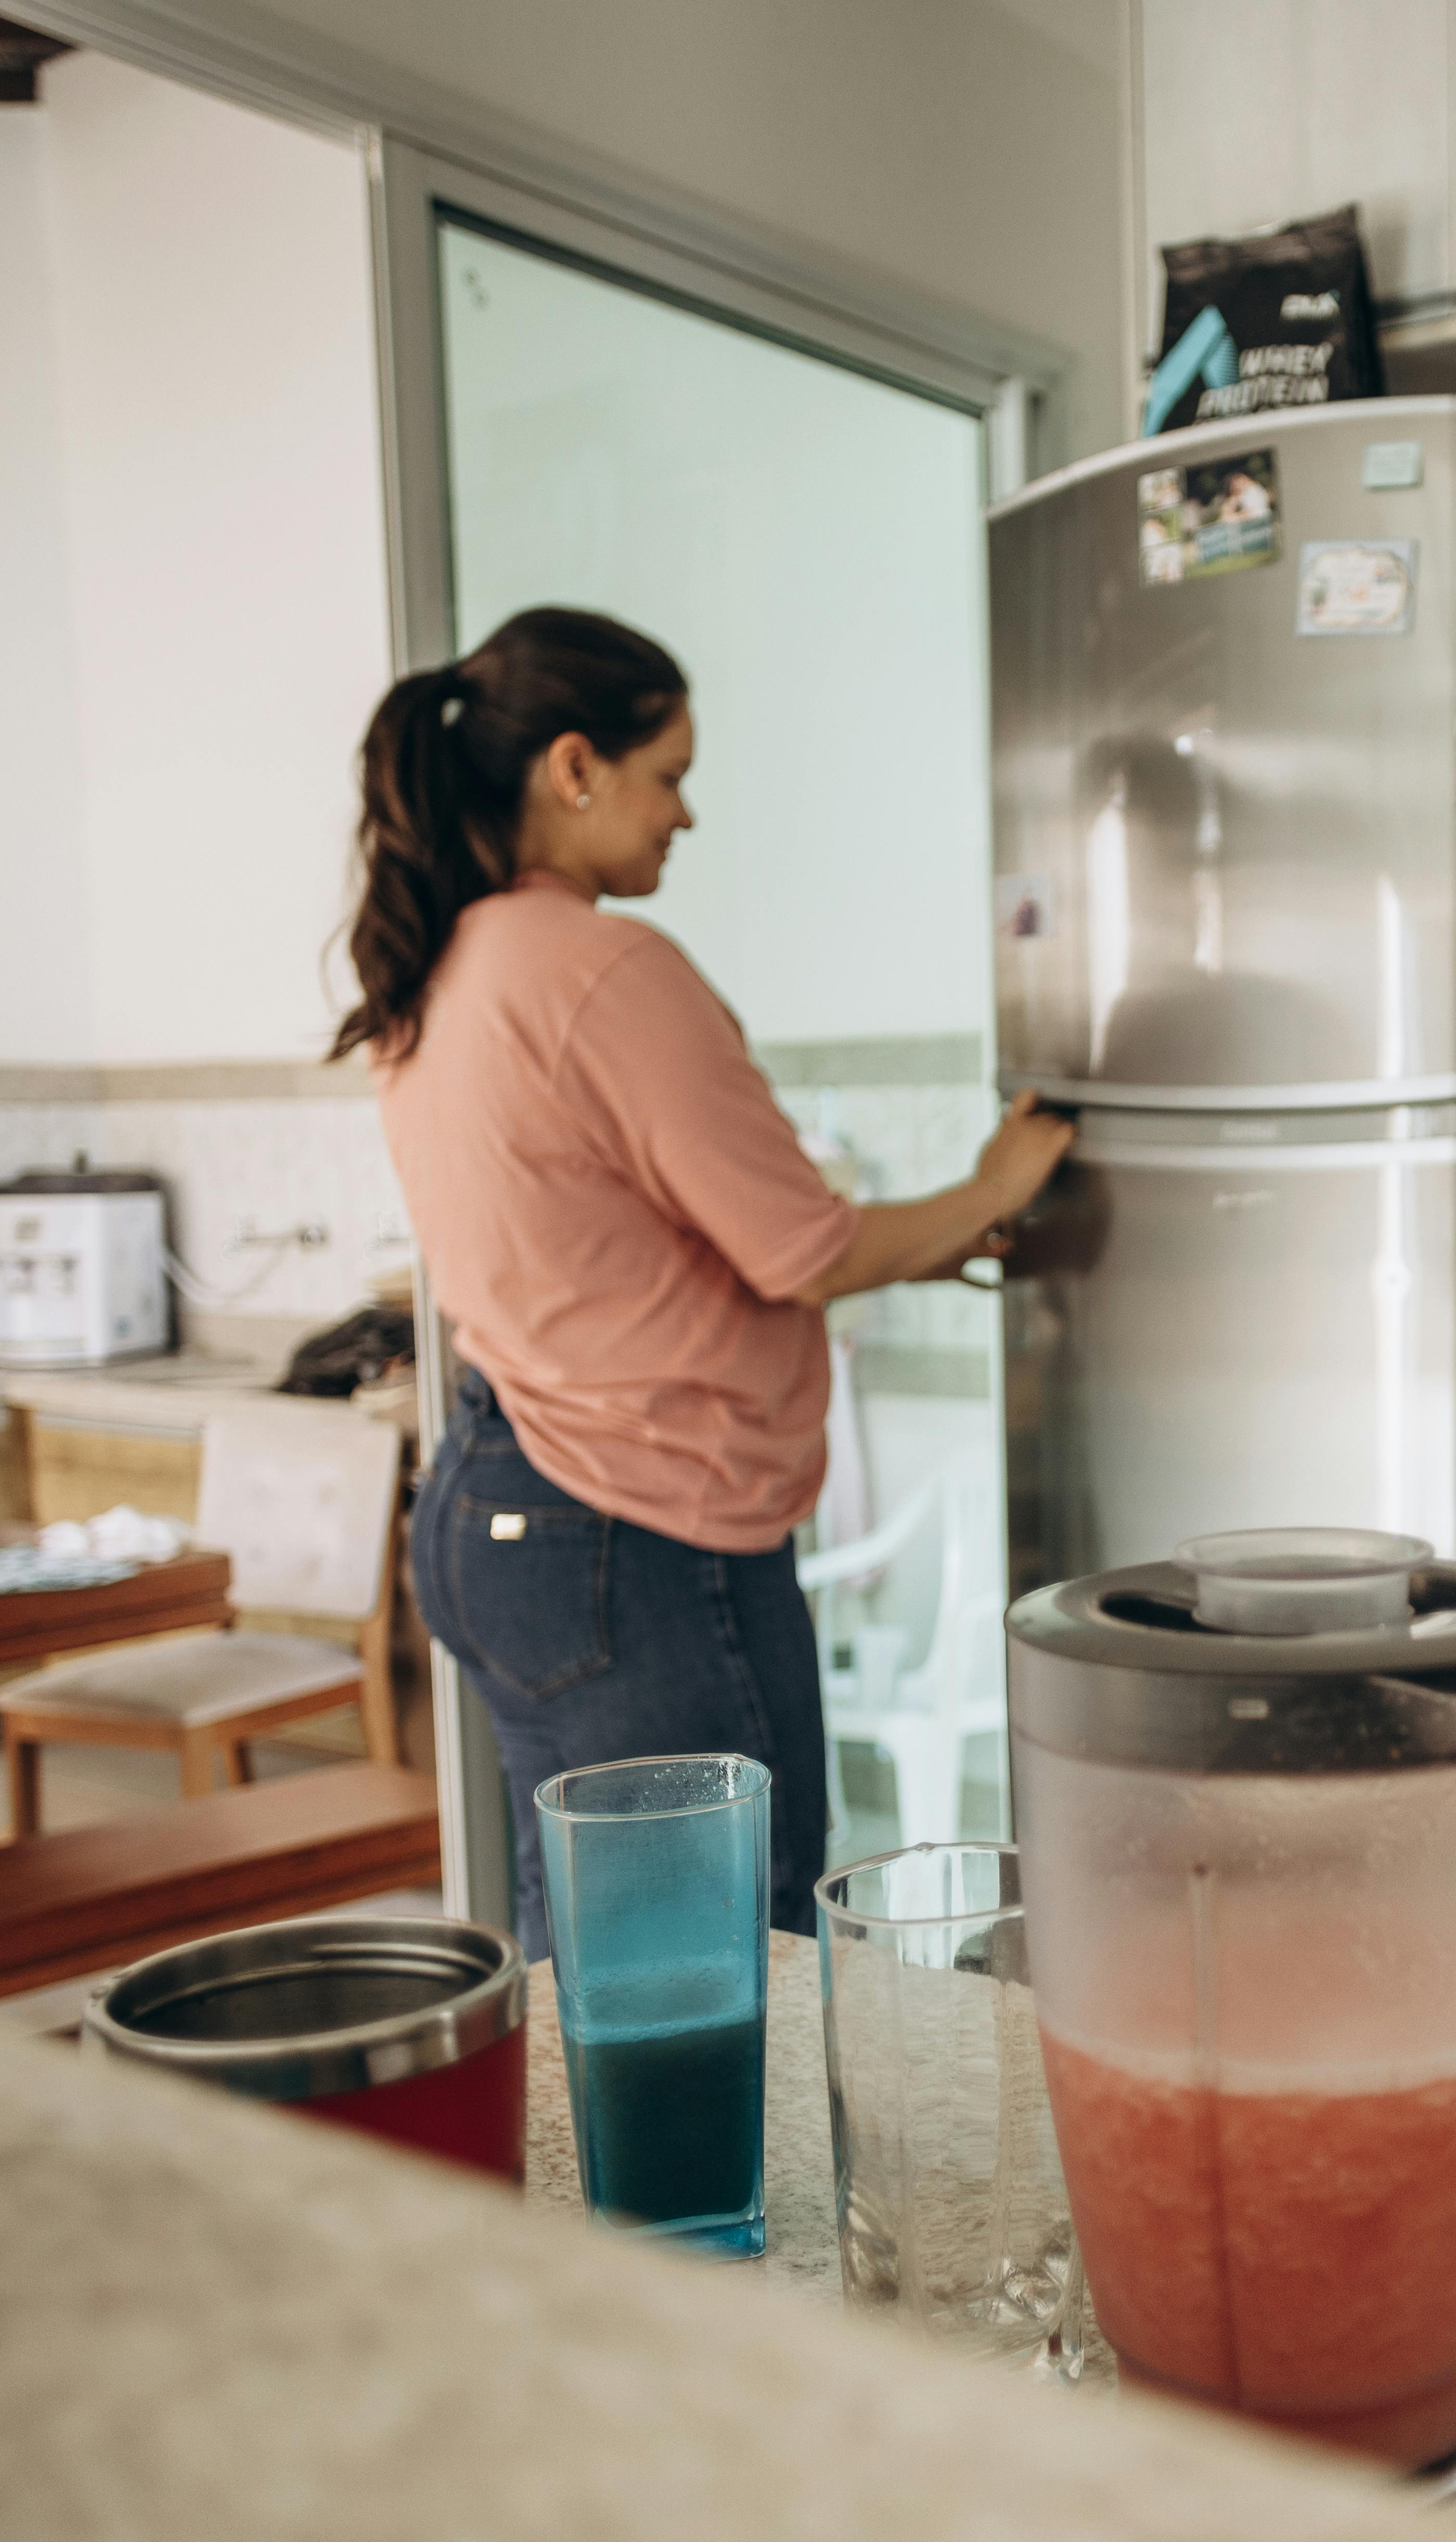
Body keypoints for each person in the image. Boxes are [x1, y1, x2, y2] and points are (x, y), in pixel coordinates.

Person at [346, 607, 1071, 1951]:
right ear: (576, 767)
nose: (684, 815)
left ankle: (572, 2178)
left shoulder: (438, 966)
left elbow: (628, 1243)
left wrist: (937, 1231)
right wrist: (997, 1182)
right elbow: (805, 1250)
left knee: (597, 1965)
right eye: (668, 774)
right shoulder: (604, 967)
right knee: (728, 1969)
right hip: (639, 1542)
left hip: (502, 1506)